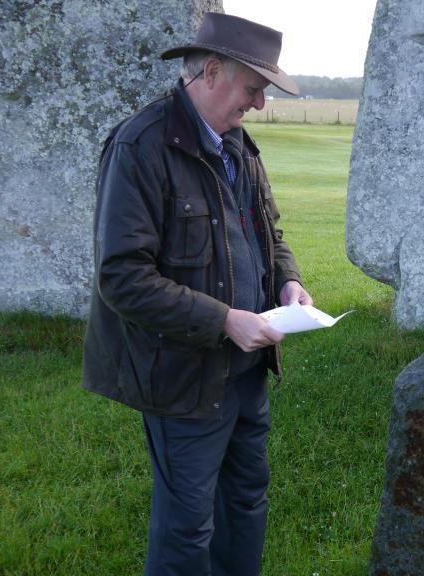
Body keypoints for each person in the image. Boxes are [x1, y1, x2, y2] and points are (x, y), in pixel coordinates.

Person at [81, 12, 312, 576]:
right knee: (187, 529)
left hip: (248, 370)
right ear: (211, 72)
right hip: (182, 379)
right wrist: (225, 320)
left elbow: (268, 231)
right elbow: (122, 277)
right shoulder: (140, 146)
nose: (258, 104)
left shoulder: (238, 144)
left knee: (245, 503)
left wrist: (288, 278)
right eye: (254, 88)